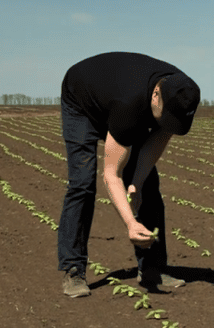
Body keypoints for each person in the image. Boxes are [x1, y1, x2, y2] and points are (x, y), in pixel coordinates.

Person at [57, 52, 200, 298]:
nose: (168, 123)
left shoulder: (180, 96)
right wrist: (130, 223)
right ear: (156, 95)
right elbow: (111, 175)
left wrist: (137, 183)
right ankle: (74, 270)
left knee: (150, 187)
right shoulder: (129, 105)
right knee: (82, 184)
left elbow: (153, 147)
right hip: (81, 100)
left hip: (118, 97)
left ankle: (152, 269)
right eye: (165, 116)